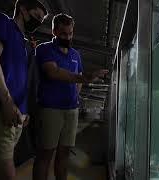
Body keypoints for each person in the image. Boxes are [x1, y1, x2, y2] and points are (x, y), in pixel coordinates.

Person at [0, 0, 48, 179]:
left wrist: (24, 109)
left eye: (42, 20)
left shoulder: (25, 44)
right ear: (22, 9)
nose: (38, 22)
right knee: (6, 174)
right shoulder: (3, 22)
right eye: (36, 16)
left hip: (16, 116)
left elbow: (21, 79)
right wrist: (6, 102)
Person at [32, 13, 108, 180]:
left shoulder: (75, 55)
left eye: (71, 33)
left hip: (71, 110)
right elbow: (54, 72)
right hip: (51, 108)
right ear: (54, 32)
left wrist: (75, 94)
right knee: (46, 154)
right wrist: (84, 77)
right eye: (63, 34)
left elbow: (78, 77)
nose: (68, 37)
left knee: (64, 153)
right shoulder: (44, 49)